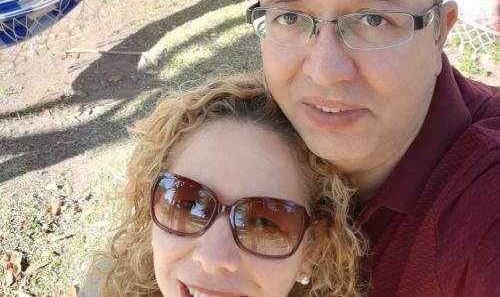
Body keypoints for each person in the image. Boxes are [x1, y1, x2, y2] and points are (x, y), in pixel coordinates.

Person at [247, 0, 500, 296]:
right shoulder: (242, 145)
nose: (324, 71)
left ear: (439, 32)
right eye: (290, 16)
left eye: (374, 20)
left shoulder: (483, 214)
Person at [82, 74, 365, 296]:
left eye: (264, 224)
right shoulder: (101, 287)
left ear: (312, 248)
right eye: (186, 204)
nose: (213, 258)